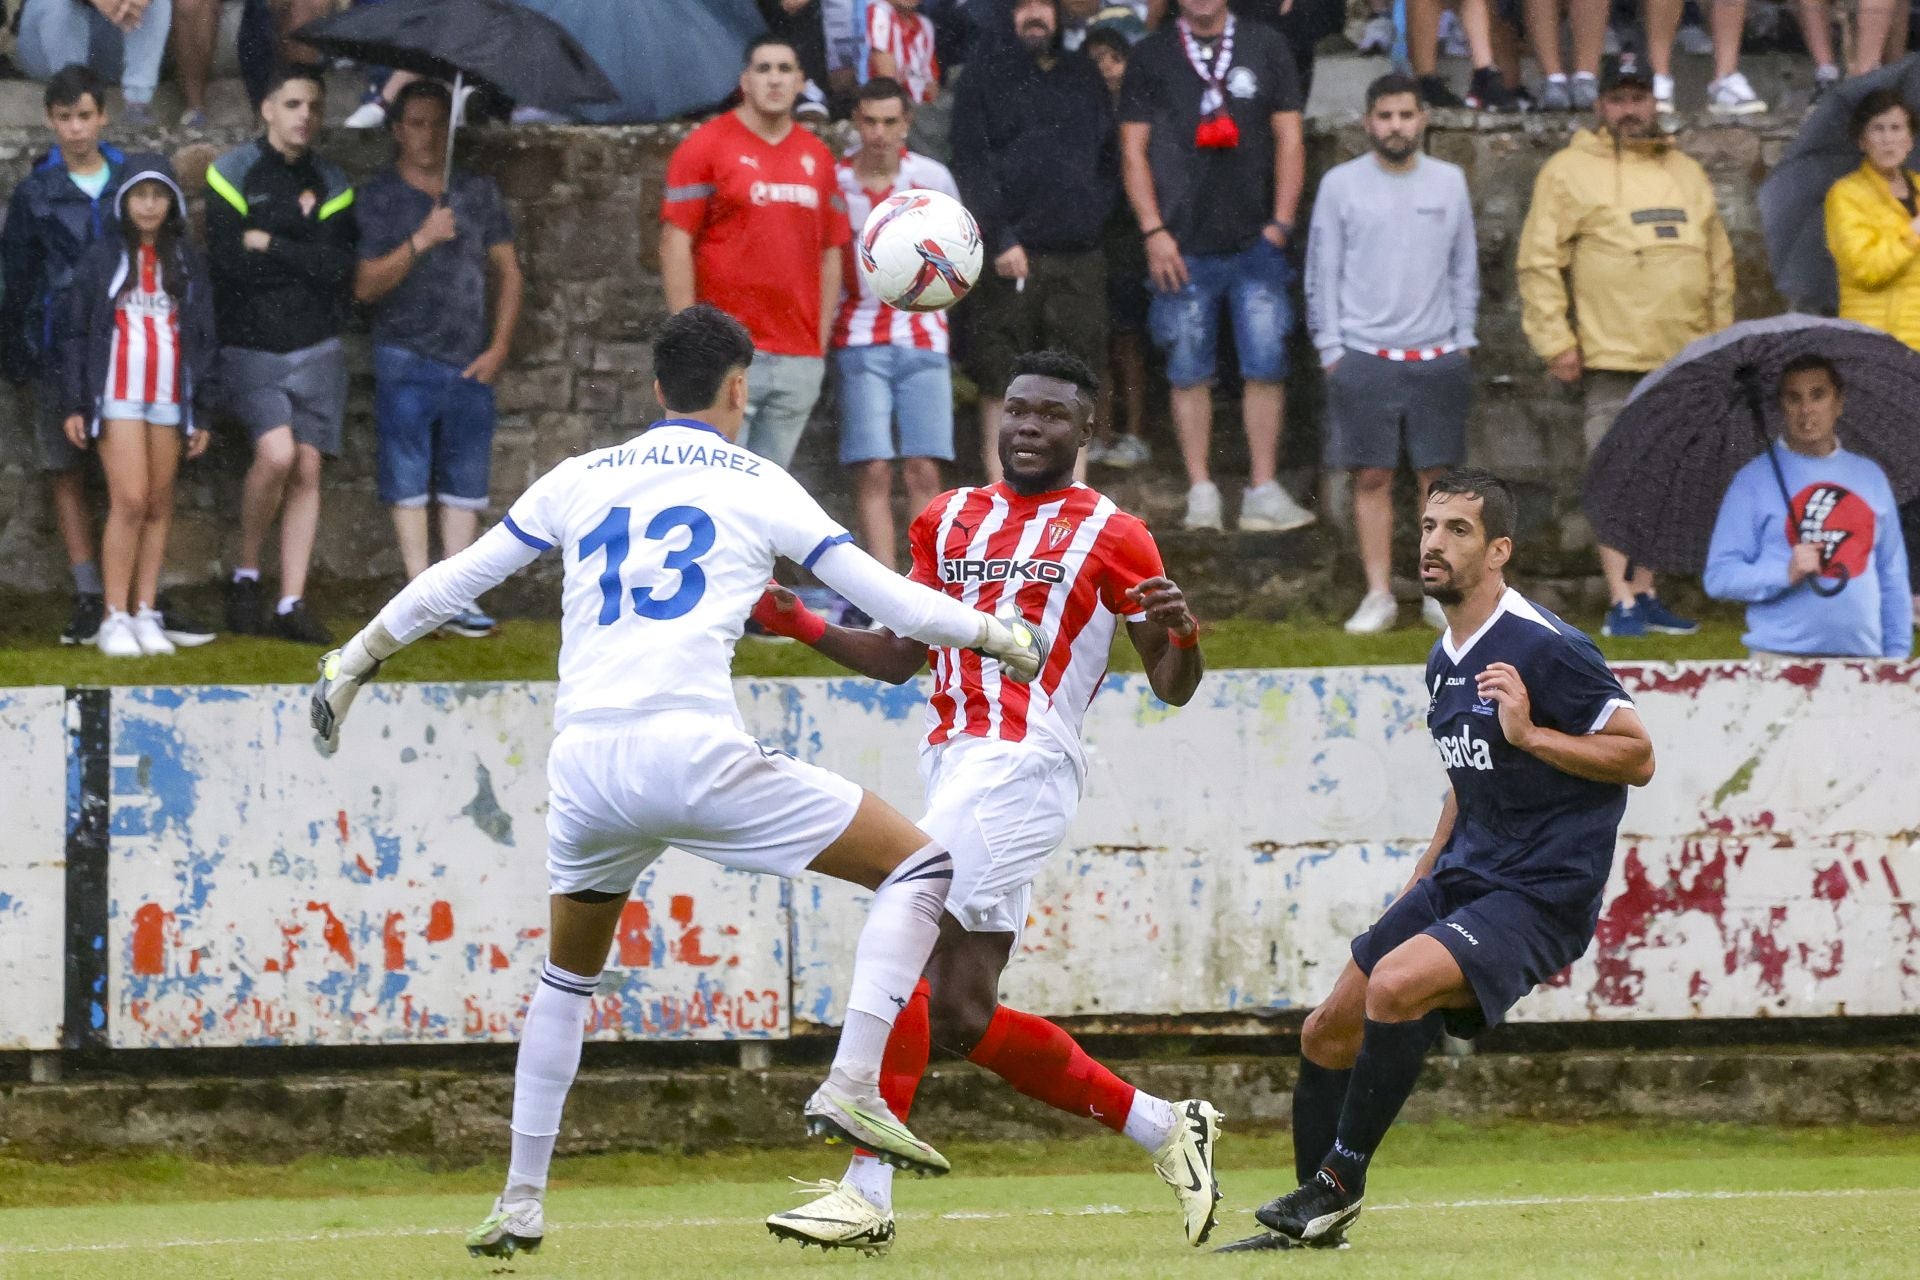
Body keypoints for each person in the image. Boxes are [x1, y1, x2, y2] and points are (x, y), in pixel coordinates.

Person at [305, 303, 1051, 1260]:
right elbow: (889, 601)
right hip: (687, 752)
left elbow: (460, 578)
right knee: (925, 868)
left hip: (584, 764)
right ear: (739, 388)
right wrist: (998, 635)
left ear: (657, 388)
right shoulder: (757, 481)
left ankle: (521, 1201)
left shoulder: (581, 476)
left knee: (565, 976)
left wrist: (356, 657)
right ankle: (854, 1084)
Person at [752, 349, 1220, 1255]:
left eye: (1051, 415)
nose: (1028, 428)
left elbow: (1170, 684)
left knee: (905, 916)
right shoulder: (945, 519)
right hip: (953, 760)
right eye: (1017, 411)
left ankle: (864, 1187)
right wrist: (802, 623)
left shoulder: (1115, 534)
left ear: (1087, 431)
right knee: (961, 1014)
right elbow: (903, 654)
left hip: (1025, 762)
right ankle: (1166, 1127)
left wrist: (1183, 633)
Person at [1222, 468, 1655, 1253]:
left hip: (1540, 891)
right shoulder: (1442, 656)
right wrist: (1422, 881)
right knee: (1326, 1031)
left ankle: (1339, 1183)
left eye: (1457, 530)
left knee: (1396, 987)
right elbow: (1465, 783)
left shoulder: (1547, 646)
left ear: (1499, 552)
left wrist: (1533, 737)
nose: (1433, 543)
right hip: (1464, 875)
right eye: (1427, 526)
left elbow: (1637, 755)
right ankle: (1311, 1230)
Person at [1517, 56, 1729, 638]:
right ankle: (1621, 600)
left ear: (1654, 103)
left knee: (1663, 476)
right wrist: (1554, 339)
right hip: (1608, 356)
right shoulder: (1566, 170)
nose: (1630, 110)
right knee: (1615, 477)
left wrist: (1720, 341)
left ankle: (1648, 593)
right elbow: (1539, 261)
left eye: (1639, 98)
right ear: (1598, 105)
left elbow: (1718, 263)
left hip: (1681, 355)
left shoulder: (1687, 171)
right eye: (1618, 98)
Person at [1120, 0, 1315, 533]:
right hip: (1180, 244)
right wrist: (1153, 231)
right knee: (1187, 369)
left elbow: (1290, 137)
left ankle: (1263, 488)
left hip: (1256, 238)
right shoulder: (1151, 54)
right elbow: (1133, 150)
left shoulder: (1266, 44)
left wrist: (1280, 222)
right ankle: (1201, 490)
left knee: (1266, 361)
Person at [354, 79, 524, 639]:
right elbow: (364, 285)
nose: (429, 135)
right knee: (405, 476)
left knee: (465, 480)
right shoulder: (379, 196)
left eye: (439, 123)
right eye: (419, 123)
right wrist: (421, 240)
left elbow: (509, 270)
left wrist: (499, 345)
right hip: (404, 353)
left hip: (470, 358)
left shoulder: (476, 192)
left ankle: (458, 595)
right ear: (399, 130)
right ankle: (418, 595)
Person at [1308, 74, 1477, 637]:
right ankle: (1379, 593)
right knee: (1372, 477)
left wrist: (1463, 341)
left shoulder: (1450, 181)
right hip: (1364, 353)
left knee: (1441, 481)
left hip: (1437, 354)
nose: (1396, 126)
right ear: (1368, 122)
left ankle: (1439, 592)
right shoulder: (1341, 184)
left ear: (1423, 119)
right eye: (1385, 116)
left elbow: (1464, 269)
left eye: (1406, 115)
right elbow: (1321, 272)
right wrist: (1333, 349)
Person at [207, 64, 358, 645]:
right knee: (276, 455)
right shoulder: (231, 173)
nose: (305, 116)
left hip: (317, 346)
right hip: (252, 345)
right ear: (267, 109)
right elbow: (228, 266)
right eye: (293, 103)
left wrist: (270, 243)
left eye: (314, 106)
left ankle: (291, 601)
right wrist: (302, 257)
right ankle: (246, 575)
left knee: (310, 465)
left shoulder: (333, 181)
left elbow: (336, 268)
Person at [661, 35, 850, 469]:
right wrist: (688, 337)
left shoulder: (818, 156)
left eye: (785, 69)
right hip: (724, 352)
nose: (775, 79)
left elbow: (831, 251)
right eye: (763, 69)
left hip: (798, 357)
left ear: (801, 81)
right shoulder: (705, 145)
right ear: (744, 80)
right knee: (714, 486)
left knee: (768, 496)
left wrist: (817, 341)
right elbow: (676, 241)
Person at [57, 160, 218, 659]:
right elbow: (76, 332)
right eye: (139, 194)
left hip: (170, 396)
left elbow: (205, 337)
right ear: (124, 201)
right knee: (128, 500)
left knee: (158, 504)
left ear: (172, 203)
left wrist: (204, 410)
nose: (148, 204)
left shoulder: (187, 262)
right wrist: (75, 402)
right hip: (117, 394)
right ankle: (113, 615)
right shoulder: (102, 258)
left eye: (158, 194)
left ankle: (146, 610)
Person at [952, 0, 1116, 483]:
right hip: (1010, 254)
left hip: (1079, 255)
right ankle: (1001, 506)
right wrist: (1000, 237)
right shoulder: (983, 74)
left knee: (1076, 381)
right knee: (1000, 383)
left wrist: (1091, 218)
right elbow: (971, 162)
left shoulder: (1083, 73)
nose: (1034, 15)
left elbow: (1107, 159)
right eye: (1023, 6)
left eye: (1043, 5)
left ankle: (1072, 502)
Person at [1, 66, 130, 647]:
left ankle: (131, 597)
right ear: (50, 120)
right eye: (64, 117)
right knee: (66, 471)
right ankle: (85, 592)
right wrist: (19, 357)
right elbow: (18, 279)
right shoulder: (34, 192)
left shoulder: (133, 180)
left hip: (128, 348)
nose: (76, 129)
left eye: (85, 115)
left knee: (131, 478)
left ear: (102, 116)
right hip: (56, 349)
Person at [1704, 355, 1911, 660]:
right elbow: (1719, 577)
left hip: (1864, 659)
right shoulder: (1753, 481)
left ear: (1838, 402)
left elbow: (1891, 573)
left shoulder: (1870, 477)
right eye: (1793, 398)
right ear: (1780, 407)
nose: (1806, 410)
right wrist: (1783, 573)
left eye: (1818, 395)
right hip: (1779, 658)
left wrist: (1896, 656)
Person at [832, 78, 959, 571]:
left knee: (925, 468)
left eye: (890, 121)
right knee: (874, 470)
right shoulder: (835, 182)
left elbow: (961, 256)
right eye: (870, 121)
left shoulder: (932, 179)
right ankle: (886, 591)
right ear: (856, 123)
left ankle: (931, 581)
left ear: (907, 124)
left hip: (924, 336)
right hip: (857, 336)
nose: (880, 133)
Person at [1825, 89, 1920, 631]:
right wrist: (1911, 234)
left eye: (1898, 128)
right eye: (1879, 129)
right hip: (1877, 356)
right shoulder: (1846, 195)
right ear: (1863, 139)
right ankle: (1897, 590)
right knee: (1891, 479)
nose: (1889, 139)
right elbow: (1864, 265)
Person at [1084, 24, 1151, 470]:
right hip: (1093, 235)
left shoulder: (1143, 109)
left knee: (1128, 341)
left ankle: (1135, 433)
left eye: (1114, 56)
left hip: (1130, 236)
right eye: (1096, 58)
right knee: (1096, 339)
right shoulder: (1079, 112)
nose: (1105, 66)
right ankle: (1102, 433)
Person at [16, 0, 175, 129]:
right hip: (46, 49)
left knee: (158, 2)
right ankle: (73, 98)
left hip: (109, 44)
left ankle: (138, 104)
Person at [867, 0, 941, 105]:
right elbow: (888, 83)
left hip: (920, 108)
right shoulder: (879, 12)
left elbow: (932, 86)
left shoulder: (924, 24)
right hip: (888, 105)